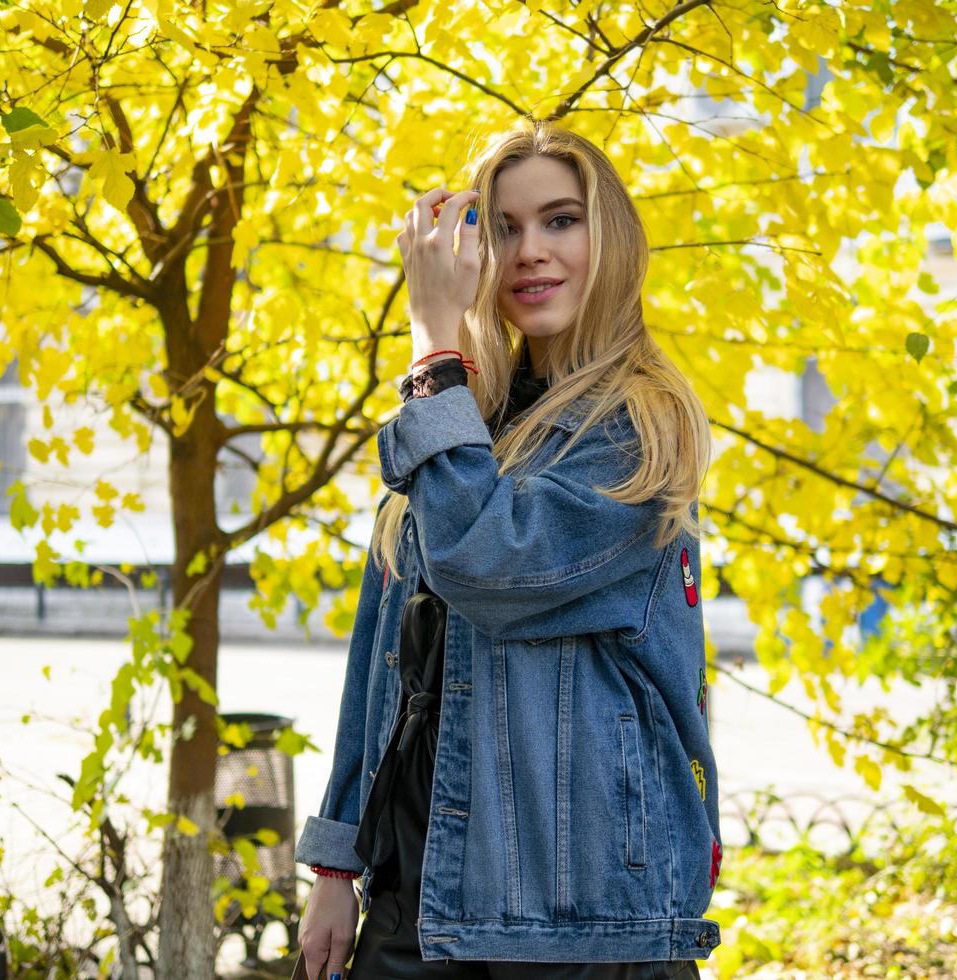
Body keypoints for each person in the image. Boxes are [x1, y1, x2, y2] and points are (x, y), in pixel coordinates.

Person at [295, 119, 722, 980]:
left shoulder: (638, 427)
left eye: (560, 220)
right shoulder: (462, 419)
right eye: (504, 226)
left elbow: (485, 562)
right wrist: (337, 862)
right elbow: (383, 649)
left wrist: (431, 343)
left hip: (571, 908)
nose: (531, 250)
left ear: (612, 240)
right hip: (419, 880)